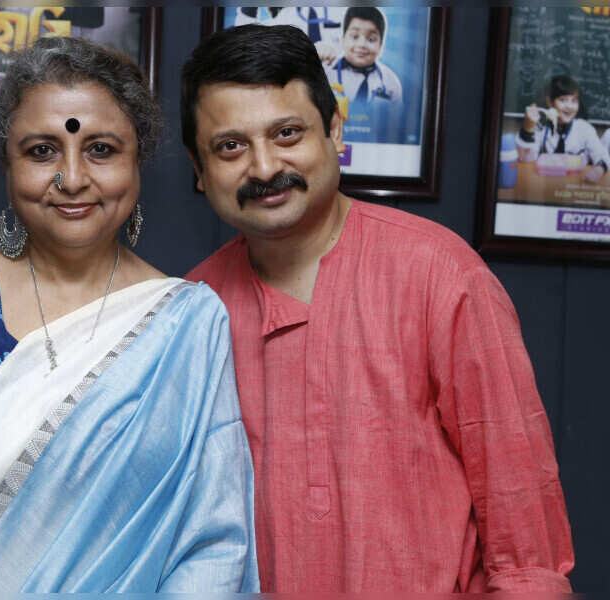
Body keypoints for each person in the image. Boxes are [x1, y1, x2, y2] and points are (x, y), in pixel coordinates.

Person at [181, 24, 574, 592]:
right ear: (199, 170)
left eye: (287, 133)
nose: (263, 168)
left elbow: (523, 530)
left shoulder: (441, 275)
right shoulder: (193, 311)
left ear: (334, 130)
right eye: (230, 147)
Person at [0, 36, 258, 594]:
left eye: (101, 149)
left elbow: (212, 542)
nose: (72, 178)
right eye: (42, 150)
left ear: (137, 161)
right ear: (8, 164)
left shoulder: (188, 324)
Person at [516, 74, 610, 184]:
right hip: (545, 182)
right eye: (563, 100)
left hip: (575, 183)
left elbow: (602, 156)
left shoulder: (584, 129)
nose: (569, 106)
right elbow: (525, 159)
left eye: (574, 101)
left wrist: (598, 170)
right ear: (550, 102)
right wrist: (528, 128)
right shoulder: (540, 127)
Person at [314, 7, 402, 106]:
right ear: (343, 39)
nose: (362, 44)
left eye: (371, 39)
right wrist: (312, 56)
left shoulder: (390, 83)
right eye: (355, 36)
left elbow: (396, 114)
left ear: (381, 46)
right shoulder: (325, 71)